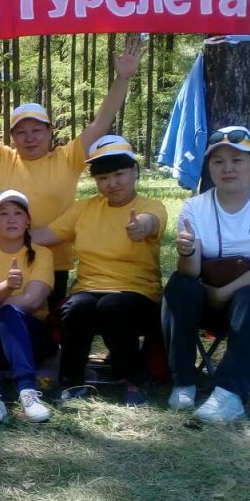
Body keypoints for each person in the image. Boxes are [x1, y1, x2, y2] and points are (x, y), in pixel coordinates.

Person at [0, 35, 143, 308]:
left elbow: (101, 121)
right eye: (21, 132)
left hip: (54, 261)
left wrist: (123, 78)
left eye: (37, 130)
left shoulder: (69, 157)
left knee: (49, 328)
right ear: (13, 136)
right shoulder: (1, 158)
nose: (30, 138)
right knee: (2, 319)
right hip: (3, 260)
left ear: (50, 131)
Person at [162, 127, 250, 422]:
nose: (227, 168)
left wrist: (225, 292)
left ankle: (229, 395)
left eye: (237, 160)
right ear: (209, 168)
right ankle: (183, 381)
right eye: (218, 161)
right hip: (210, 300)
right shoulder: (194, 207)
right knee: (179, 285)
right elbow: (191, 271)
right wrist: (186, 252)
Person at [32, 136, 168, 405]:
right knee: (75, 309)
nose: (112, 183)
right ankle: (71, 382)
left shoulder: (150, 206)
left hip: (137, 293)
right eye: (103, 177)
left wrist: (141, 226)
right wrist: (2, 237)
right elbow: (46, 234)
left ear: (135, 171)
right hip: (89, 290)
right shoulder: (85, 208)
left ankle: (132, 378)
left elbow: (151, 222)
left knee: (112, 307)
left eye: (119, 174)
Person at [0, 190, 56, 426]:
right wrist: (7, 286)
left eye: (18, 213)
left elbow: (33, 301)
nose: (11, 219)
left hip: (31, 340)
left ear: (28, 221)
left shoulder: (42, 254)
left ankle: (28, 392)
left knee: (10, 313)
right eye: (4, 214)